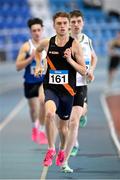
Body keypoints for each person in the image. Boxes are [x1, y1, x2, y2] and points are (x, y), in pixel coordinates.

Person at [35, 11, 86, 167]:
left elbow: (83, 70)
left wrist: (70, 59)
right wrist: (39, 65)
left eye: (65, 23)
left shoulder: (74, 45)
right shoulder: (47, 42)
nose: (63, 26)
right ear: (54, 25)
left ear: (69, 25)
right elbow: (37, 51)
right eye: (59, 23)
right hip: (51, 88)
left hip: (68, 91)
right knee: (49, 113)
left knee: (64, 128)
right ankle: (51, 149)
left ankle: (62, 149)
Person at [61, 10, 97, 173]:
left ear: (83, 23)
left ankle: (65, 161)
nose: (75, 24)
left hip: (81, 85)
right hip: (64, 86)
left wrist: (92, 71)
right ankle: (72, 143)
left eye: (78, 21)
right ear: (69, 24)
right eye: (73, 22)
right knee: (65, 122)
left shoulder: (87, 40)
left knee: (74, 121)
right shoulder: (63, 41)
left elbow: (94, 58)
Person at [16, 18, 48, 144]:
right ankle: (35, 126)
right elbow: (18, 66)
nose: (37, 33)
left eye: (39, 30)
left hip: (44, 81)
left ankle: (42, 129)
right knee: (34, 110)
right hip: (30, 82)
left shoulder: (47, 44)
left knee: (43, 103)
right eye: (34, 30)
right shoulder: (26, 46)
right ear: (30, 32)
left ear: (42, 30)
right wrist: (31, 58)